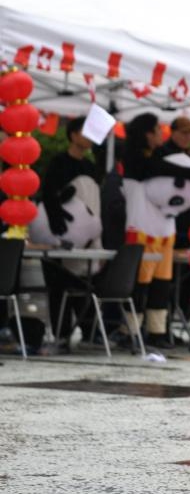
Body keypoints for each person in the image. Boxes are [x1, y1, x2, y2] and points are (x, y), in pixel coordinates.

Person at [122, 113, 190, 349]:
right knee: (140, 283)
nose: (160, 134)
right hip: (141, 228)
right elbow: (163, 168)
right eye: (157, 129)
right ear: (147, 133)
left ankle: (157, 331)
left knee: (161, 284)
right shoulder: (135, 157)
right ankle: (132, 331)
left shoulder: (160, 154)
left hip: (166, 230)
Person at [35, 117, 104, 350]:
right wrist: (58, 224)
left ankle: (87, 329)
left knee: (84, 282)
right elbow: (48, 195)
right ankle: (61, 332)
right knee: (59, 284)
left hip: (86, 235)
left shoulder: (90, 166)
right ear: (74, 135)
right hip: (60, 233)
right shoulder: (58, 163)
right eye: (86, 132)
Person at [155, 116, 190, 344]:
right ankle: (160, 328)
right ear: (172, 132)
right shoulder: (163, 155)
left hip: (187, 226)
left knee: (184, 285)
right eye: (183, 133)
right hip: (167, 223)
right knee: (166, 282)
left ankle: (171, 325)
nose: (187, 137)